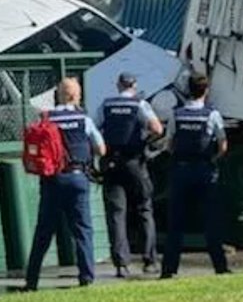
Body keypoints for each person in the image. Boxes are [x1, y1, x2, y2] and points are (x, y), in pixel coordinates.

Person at [24, 78, 106, 291]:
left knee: (43, 231)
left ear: (58, 95)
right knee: (83, 230)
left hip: (52, 179)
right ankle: (86, 278)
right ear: (76, 96)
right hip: (77, 178)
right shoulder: (83, 118)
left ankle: (31, 280)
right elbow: (101, 149)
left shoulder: (46, 118)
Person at [161, 72, 230, 279]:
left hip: (181, 170)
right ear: (205, 91)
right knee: (211, 221)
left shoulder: (177, 114)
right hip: (205, 171)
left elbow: (169, 143)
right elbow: (223, 144)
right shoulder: (212, 114)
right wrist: (212, 159)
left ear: (187, 90)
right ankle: (220, 267)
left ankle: (169, 269)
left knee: (175, 223)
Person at [97, 72, 163, 277]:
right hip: (135, 162)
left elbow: (95, 128)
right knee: (144, 209)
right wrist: (144, 140)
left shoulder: (105, 105)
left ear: (118, 85)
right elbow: (157, 128)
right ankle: (150, 260)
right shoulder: (140, 105)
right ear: (134, 85)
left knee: (117, 213)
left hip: (112, 163)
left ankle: (121, 264)